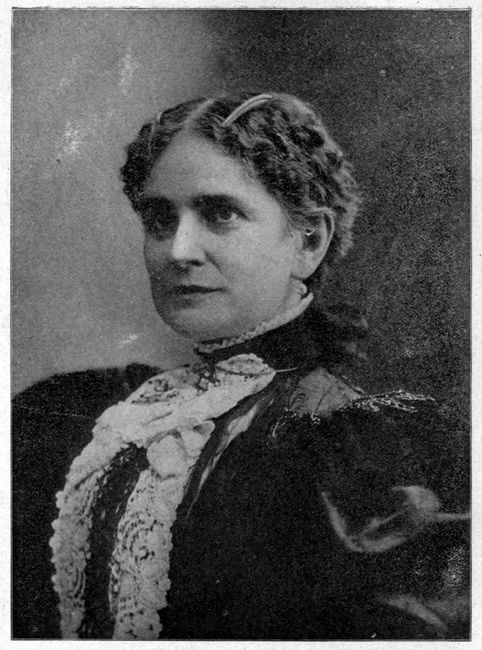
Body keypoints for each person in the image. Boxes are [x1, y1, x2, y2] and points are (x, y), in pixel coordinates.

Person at [12, 91, 469, 640]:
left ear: (309, 242)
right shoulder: (92, 414)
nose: (179, 250)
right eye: (160, 219)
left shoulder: (347, 442)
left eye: (220, 214)